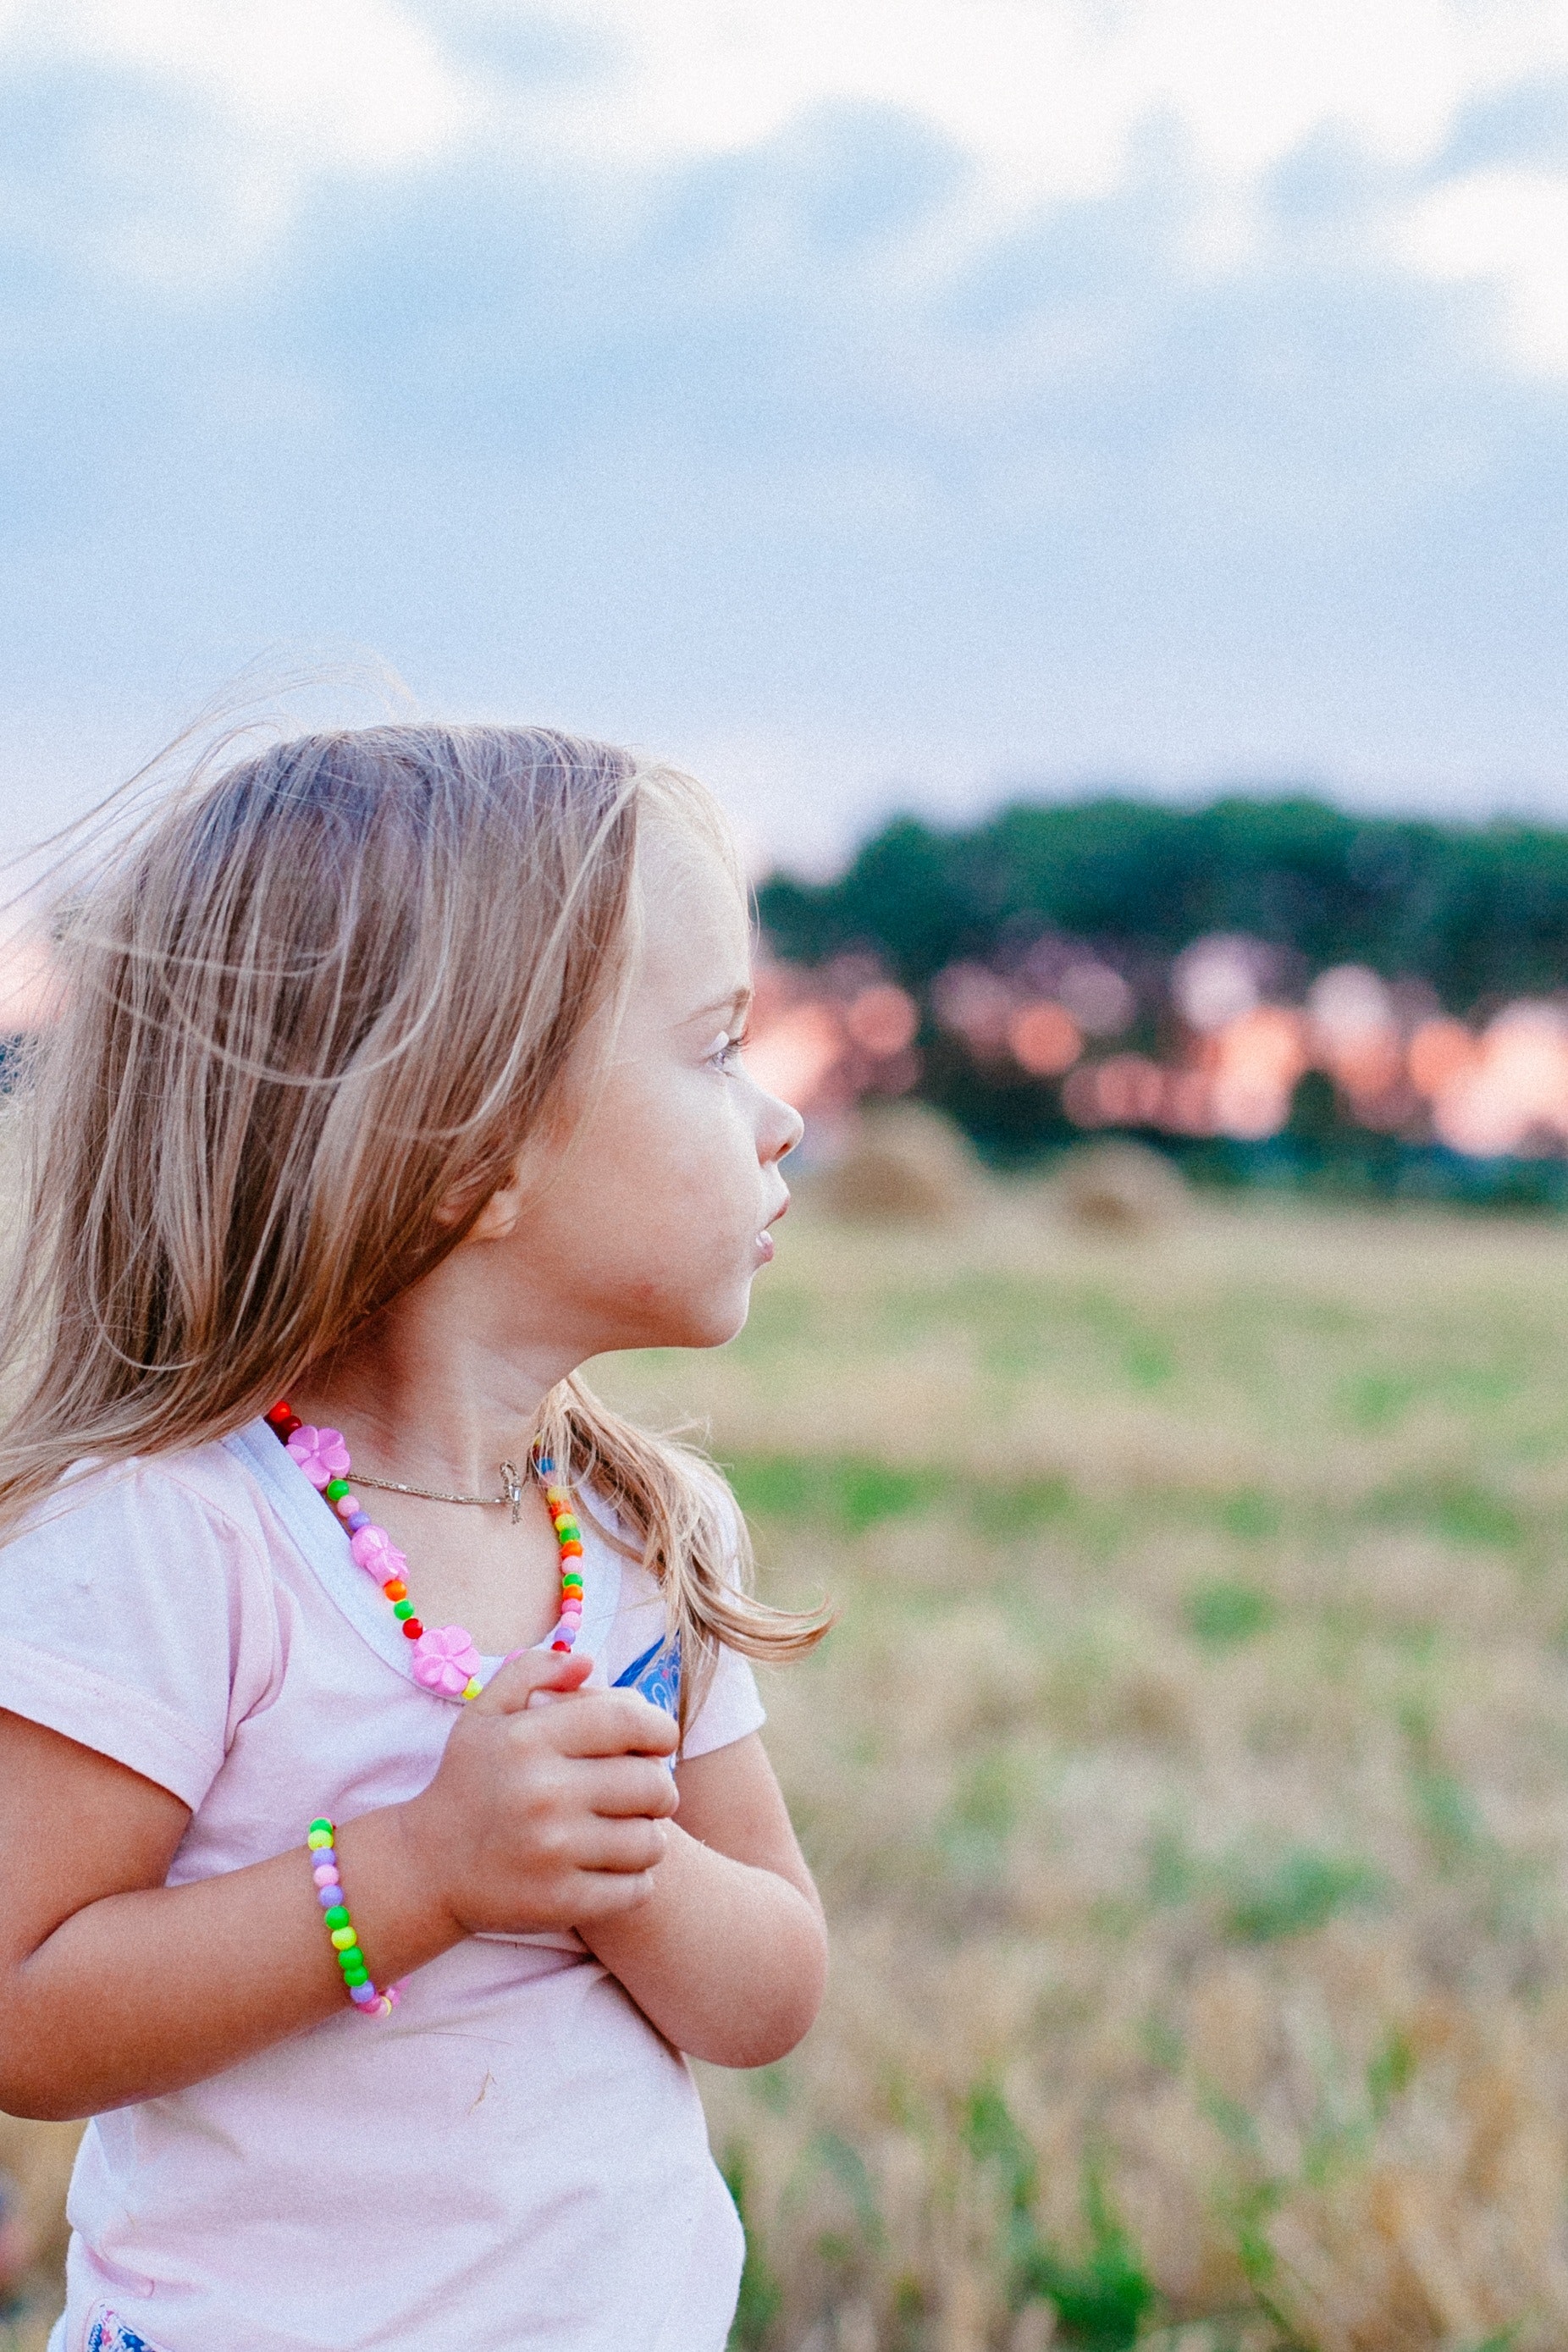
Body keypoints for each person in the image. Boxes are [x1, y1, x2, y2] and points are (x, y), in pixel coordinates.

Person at [0, 726, 831, 2352]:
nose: (782, 1114)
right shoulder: (173, 1534)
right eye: (718, 1046)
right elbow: (24, 2006)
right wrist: (418, 1872)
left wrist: (621, 1865)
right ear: (473, 1149)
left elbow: (771, 1988)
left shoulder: (647, 1537)